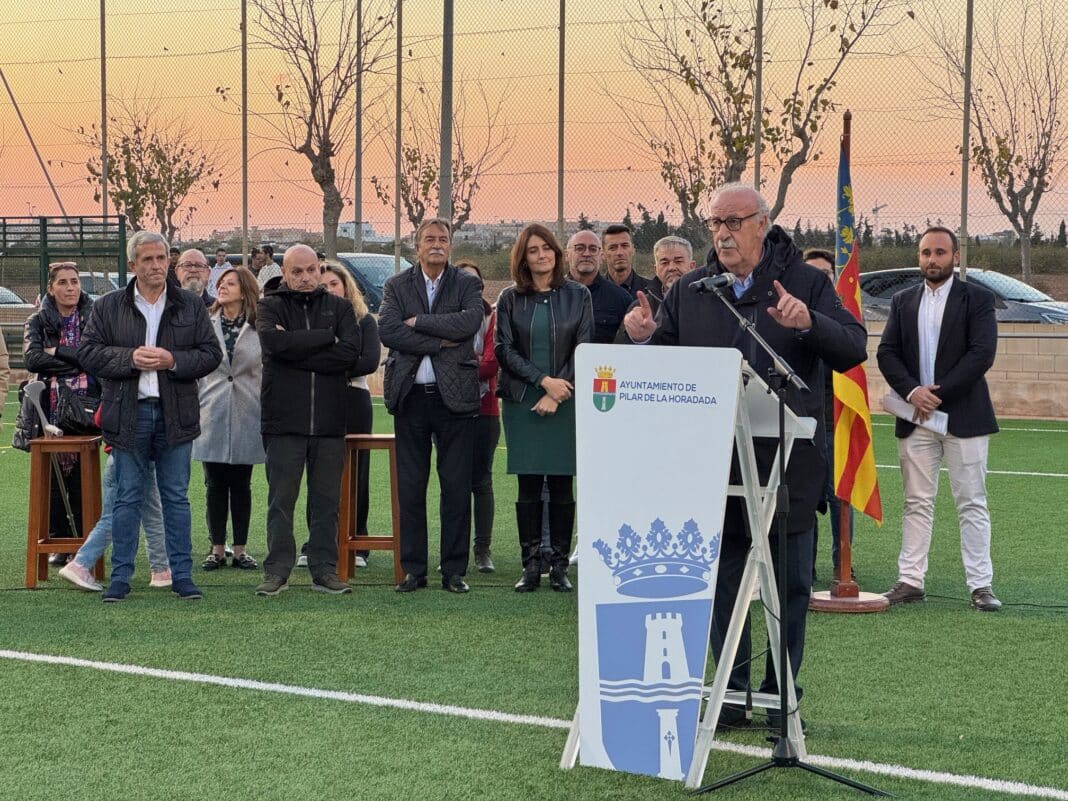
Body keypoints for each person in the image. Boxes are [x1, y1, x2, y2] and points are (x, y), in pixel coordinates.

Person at [623, 182, 867, 724]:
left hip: (788, 462)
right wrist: (640, 339)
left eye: (734, 222)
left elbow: (854, 345)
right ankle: (730, 691)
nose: (723, 233)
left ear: (763, 222)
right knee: (724, 580)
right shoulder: (694, 289)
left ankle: (782, 693)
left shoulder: (805, 282)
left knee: (790, 583)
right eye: (715, 224)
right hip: (715, 464)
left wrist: (808, 321)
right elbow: (663, 366)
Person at [79, 231, 222, 602]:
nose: (156, 265)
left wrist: (173, 360)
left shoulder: (190, 305)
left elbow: (210, 355)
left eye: (161, 258)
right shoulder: (108, 306)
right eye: (148, 260)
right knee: (126, 498)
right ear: (133, 265)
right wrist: (129, 359)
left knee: (176, 498)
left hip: (176, 414)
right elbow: (89, 353)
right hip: (128, 414)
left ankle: (182, 576)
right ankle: (120, 579)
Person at [877, 226, 1002, 611]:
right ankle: (910, 580)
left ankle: (981, 586)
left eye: (940, 253)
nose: (933, 259)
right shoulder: (902, 301)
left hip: (964, 416)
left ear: (955, 257)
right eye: (926, 253)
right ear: (919, 257)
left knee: (971, 502)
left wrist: (937, 394)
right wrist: (914, 392)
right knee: (916, 501)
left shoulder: (977, 299)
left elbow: (981, 354)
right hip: (915, 418)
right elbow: (887, 352)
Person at [379, 218, 483, 594]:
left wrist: (420, 322)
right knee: (411, 486)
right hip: (410, 397)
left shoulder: (467, 283)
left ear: (450, 245)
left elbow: (470, 322)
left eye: (443, 239)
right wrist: (437, 343)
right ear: (416, 246)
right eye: (429, 239)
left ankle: (454, 571)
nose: (436, 245)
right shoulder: (396, 285)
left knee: (455, 487)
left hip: (454, 399)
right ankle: (414, 570)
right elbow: (388, 330)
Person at [255, 244, 361, 597]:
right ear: (284, 274)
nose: (305, 278)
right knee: (281, 501)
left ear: (320, 269)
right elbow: (273, 346)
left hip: (330, 423)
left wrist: (295, 350)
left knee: (326, 502)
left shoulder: (341, 307)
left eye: (311, 270)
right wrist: (322, 340)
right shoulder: (270, 306)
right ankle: (277, 571)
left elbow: (349, 353)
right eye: (296, 272)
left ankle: (324, 570)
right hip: (284, 423)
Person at [496, 224, 592, 592]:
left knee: (563, 485)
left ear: (556, 252)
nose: (541, 255)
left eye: (546, 248)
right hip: (523, 402)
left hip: (566, 401)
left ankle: (559, 567)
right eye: (533, 250)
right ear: (523, 257)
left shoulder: (578, 295)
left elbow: (583, 347)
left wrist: (557, 391)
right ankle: (530, 566)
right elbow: (504, 349)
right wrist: (541, 383)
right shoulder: (508, 298)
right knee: (529, 485)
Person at [23, 262, 99, 566]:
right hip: (49, 408)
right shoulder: (37, 320)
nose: (71, 288)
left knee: (82, 475)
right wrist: (75, 360)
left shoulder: (93, 316)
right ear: (51, 288)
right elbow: (32, 358)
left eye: (75, 282)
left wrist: (58, 353)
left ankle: (84, 542)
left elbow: (94, 359)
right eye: (64, 283)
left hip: (85, 406)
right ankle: (58, 540)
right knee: (54, 476)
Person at [194, 267, 265, 572]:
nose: (222, 287)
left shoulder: (259, 326)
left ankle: (240, 550)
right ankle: (216, 549)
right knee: (214, 483)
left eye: (230, 283)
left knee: (241, 483)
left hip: (248, 410)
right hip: (212, 409)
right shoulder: (205, 324)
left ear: (245, 289)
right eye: (220, 283)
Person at [317, 261, 382, 569]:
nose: (329, 290)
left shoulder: (364, 321)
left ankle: (358, 543)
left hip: (355, 400)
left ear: (346, 286)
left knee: (357, 473)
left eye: (334, 284)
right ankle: (318, 543)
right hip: (320, 402)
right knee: (320, 474)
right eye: (323, 285)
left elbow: (368, 361)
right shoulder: (311, 321)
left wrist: (326, 366)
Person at [803, 247, 855, 583]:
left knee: (841, 498)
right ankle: (803, 566)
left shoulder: (843, 320)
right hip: (803, 423)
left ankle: (844, 564)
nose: (819, 279)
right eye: (812, 273)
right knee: (803, 498)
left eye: (825, 273)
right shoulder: (789, 316)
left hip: (836, 424)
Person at [456, 260, 499, 573]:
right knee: (453, 481)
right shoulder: (445, 316)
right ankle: (453, 550)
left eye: (476, 282)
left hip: (485, 409)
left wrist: (456, 363)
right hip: (449, 409)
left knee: (481, 481)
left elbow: (490, 364)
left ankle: (482, 549)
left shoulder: (491, 317)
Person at [615, 235, 696, 344]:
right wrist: (640, 339)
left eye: (678, 261)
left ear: (692, 266)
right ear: (656, 269)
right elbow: (621, 349)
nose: (671, 268)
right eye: (664, 263)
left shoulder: (707, 300)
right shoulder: (640, 308)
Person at [565, 229, 632, 344]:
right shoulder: (553, 294)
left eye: (593, 249)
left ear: (601, 257)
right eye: (580, 248)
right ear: (567, 255)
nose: (586, 254)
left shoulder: (621, 299)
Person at [602, 223, 651, 298]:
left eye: (625, 246)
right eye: (612, 247)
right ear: (603, 254)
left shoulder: (652, 290)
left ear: (633, 250)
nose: (619, 252)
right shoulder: (590, 292)